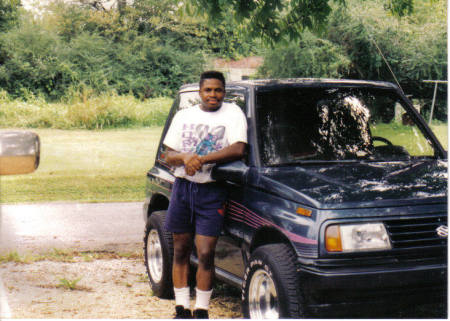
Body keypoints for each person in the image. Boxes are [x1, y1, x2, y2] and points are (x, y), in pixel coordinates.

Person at [163, 71, 247, 319]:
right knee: (180, 249)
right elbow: (169, 155)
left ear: (224, 92)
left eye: (218, 90)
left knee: (206, 252)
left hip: (212, 190)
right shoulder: (184, 116)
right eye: (208, 90)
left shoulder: (233, 113)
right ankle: (181, 308)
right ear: (200, 92)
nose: (213, 95)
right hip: (183, 188)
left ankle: (201, 309)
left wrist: (200, 160)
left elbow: (238, 148)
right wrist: (186, 158)